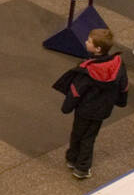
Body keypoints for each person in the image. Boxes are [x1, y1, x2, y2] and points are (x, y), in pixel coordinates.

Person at [52, 28, 129, 180]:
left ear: (98, 49)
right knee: (89, 136)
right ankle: (79, 164)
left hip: (85, 109)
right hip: (102, 109)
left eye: (89, 41)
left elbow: (76, 91)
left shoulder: (88, 69)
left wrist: (67, 107)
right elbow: (124, 85)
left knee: (78, 133)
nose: (86, 42)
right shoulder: (117, 65)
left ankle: (78, 163)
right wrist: (121, 101)